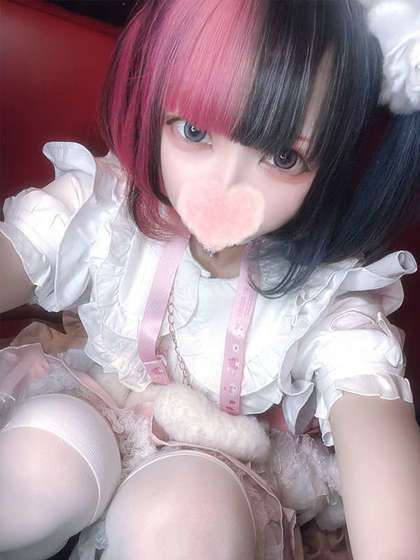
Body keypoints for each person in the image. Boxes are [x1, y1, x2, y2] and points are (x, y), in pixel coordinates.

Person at [0, 0, 419, 559]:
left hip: (224, 471)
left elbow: (374, 423)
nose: (224, 186)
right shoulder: (106, 206)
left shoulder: (328, 299)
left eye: (284, 157)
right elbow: (23, 248)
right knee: (38, 469)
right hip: (93, 409)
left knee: (185, 524)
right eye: (195, 131)